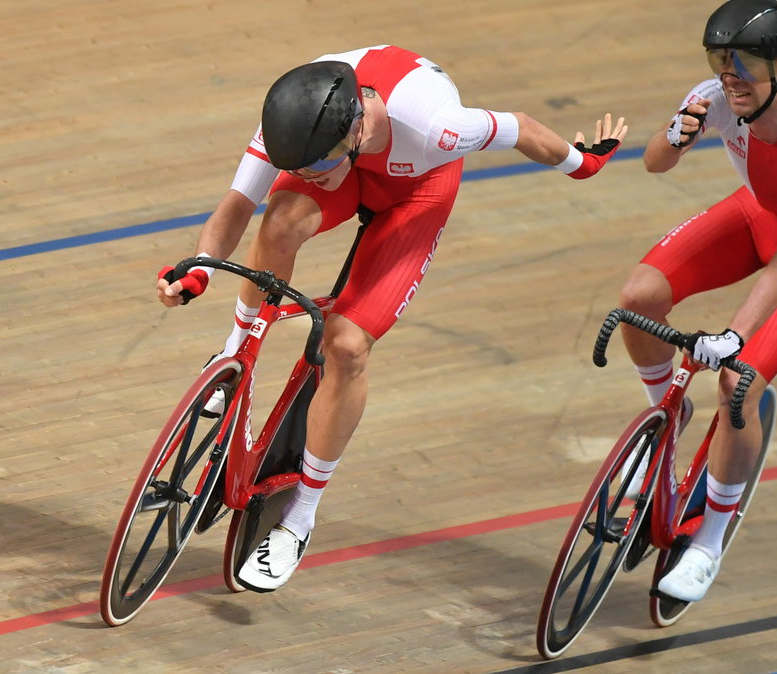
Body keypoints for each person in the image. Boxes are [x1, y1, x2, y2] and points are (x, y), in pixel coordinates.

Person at [156, 45, 628, 592]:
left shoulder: (439, 126)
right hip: (357, 169)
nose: (309, 174)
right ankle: (234, 353)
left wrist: (582, 162)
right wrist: (198, 273)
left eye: (316, 165)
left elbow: (521, 127)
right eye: (298, 167)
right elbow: (237, 205)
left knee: (346, 347)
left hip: (416, 192)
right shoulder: (296, 116)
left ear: (355, 130)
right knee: (278, 222)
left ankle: (300, 516)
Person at [617, 0, 777, 602]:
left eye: (744, 62)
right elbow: (654, 163)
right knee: (639, 296)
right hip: (754, 212)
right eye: (718, 59)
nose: (729, 75)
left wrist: (734, 334)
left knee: (738, 382)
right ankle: (665, 427)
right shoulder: (716, 97)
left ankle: (709, 542)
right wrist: (675, 137)